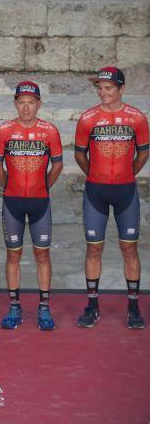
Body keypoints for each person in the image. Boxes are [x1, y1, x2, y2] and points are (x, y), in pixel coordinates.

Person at [74, 67, 148, 330]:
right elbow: (80, 155)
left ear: (121, 89)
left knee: (129, 249)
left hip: (125, 191)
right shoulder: (88, 118)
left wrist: (127, 174)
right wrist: (96, 174)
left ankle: (133, 308)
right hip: (96, 191)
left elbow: (142, 154)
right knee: (94, 248)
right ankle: (92, 307)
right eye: (99, 88)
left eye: (108, 88)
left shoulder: (137, 118)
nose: (102, 92)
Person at [0, 82, 63, 331]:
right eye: (21, 102)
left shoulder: (49, 131)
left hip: (40, 202)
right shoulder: (4, 130)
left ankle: (44, 308)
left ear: (39, 104)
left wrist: (43, 187)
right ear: (15, 103)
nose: (26, 107)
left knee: (42, 254)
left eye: (31, 102)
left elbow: (57, 165)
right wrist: (9, 187)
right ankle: (14, 308)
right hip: (12, 201)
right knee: (14, 254)